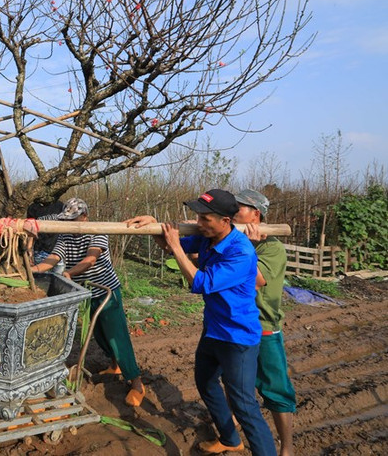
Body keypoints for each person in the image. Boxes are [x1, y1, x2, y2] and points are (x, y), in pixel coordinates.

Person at [127, 189, 276, 456]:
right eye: (198, 216)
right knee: (205, 382)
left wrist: (173, 245)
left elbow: (201, 282)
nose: (199, 222)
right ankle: (230, 439)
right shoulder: (206, 238)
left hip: (237, 338)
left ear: (225, 221)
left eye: (206, 218)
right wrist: (153, 225)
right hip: (214, 330)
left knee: (244, 406)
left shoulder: (240, 253)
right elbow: (170, 245)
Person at [32, 198, 146, 407]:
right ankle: (115, 366)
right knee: (100, 335)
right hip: (86, 291)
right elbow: (54, 256)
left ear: (84, 216)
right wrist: (33, 271)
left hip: (106, 291)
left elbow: (90, 260)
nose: (69, 224)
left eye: (73, 219)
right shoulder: (66, 234)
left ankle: (137, 383)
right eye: (66, 220)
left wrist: (69, 273)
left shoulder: (97, 231)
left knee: (117, 336)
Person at [234, 189, 296, 456]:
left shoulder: (272, 247)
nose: (232, 213)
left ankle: (287, 448)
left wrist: (246, 246)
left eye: (238, 208)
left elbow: (256, 278)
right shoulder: (235, 240)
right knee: (234, 384)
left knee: (275, 388)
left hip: (263, 327)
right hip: (236, 325)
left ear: (255, 214)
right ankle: (230, 435)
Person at [26, 198, 65, 274]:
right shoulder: (33, 208)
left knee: (59, 280)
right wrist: (29, 249)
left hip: (58, 250)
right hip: (41, 251)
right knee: (43, 280)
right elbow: (30, 230)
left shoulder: (60, 206)